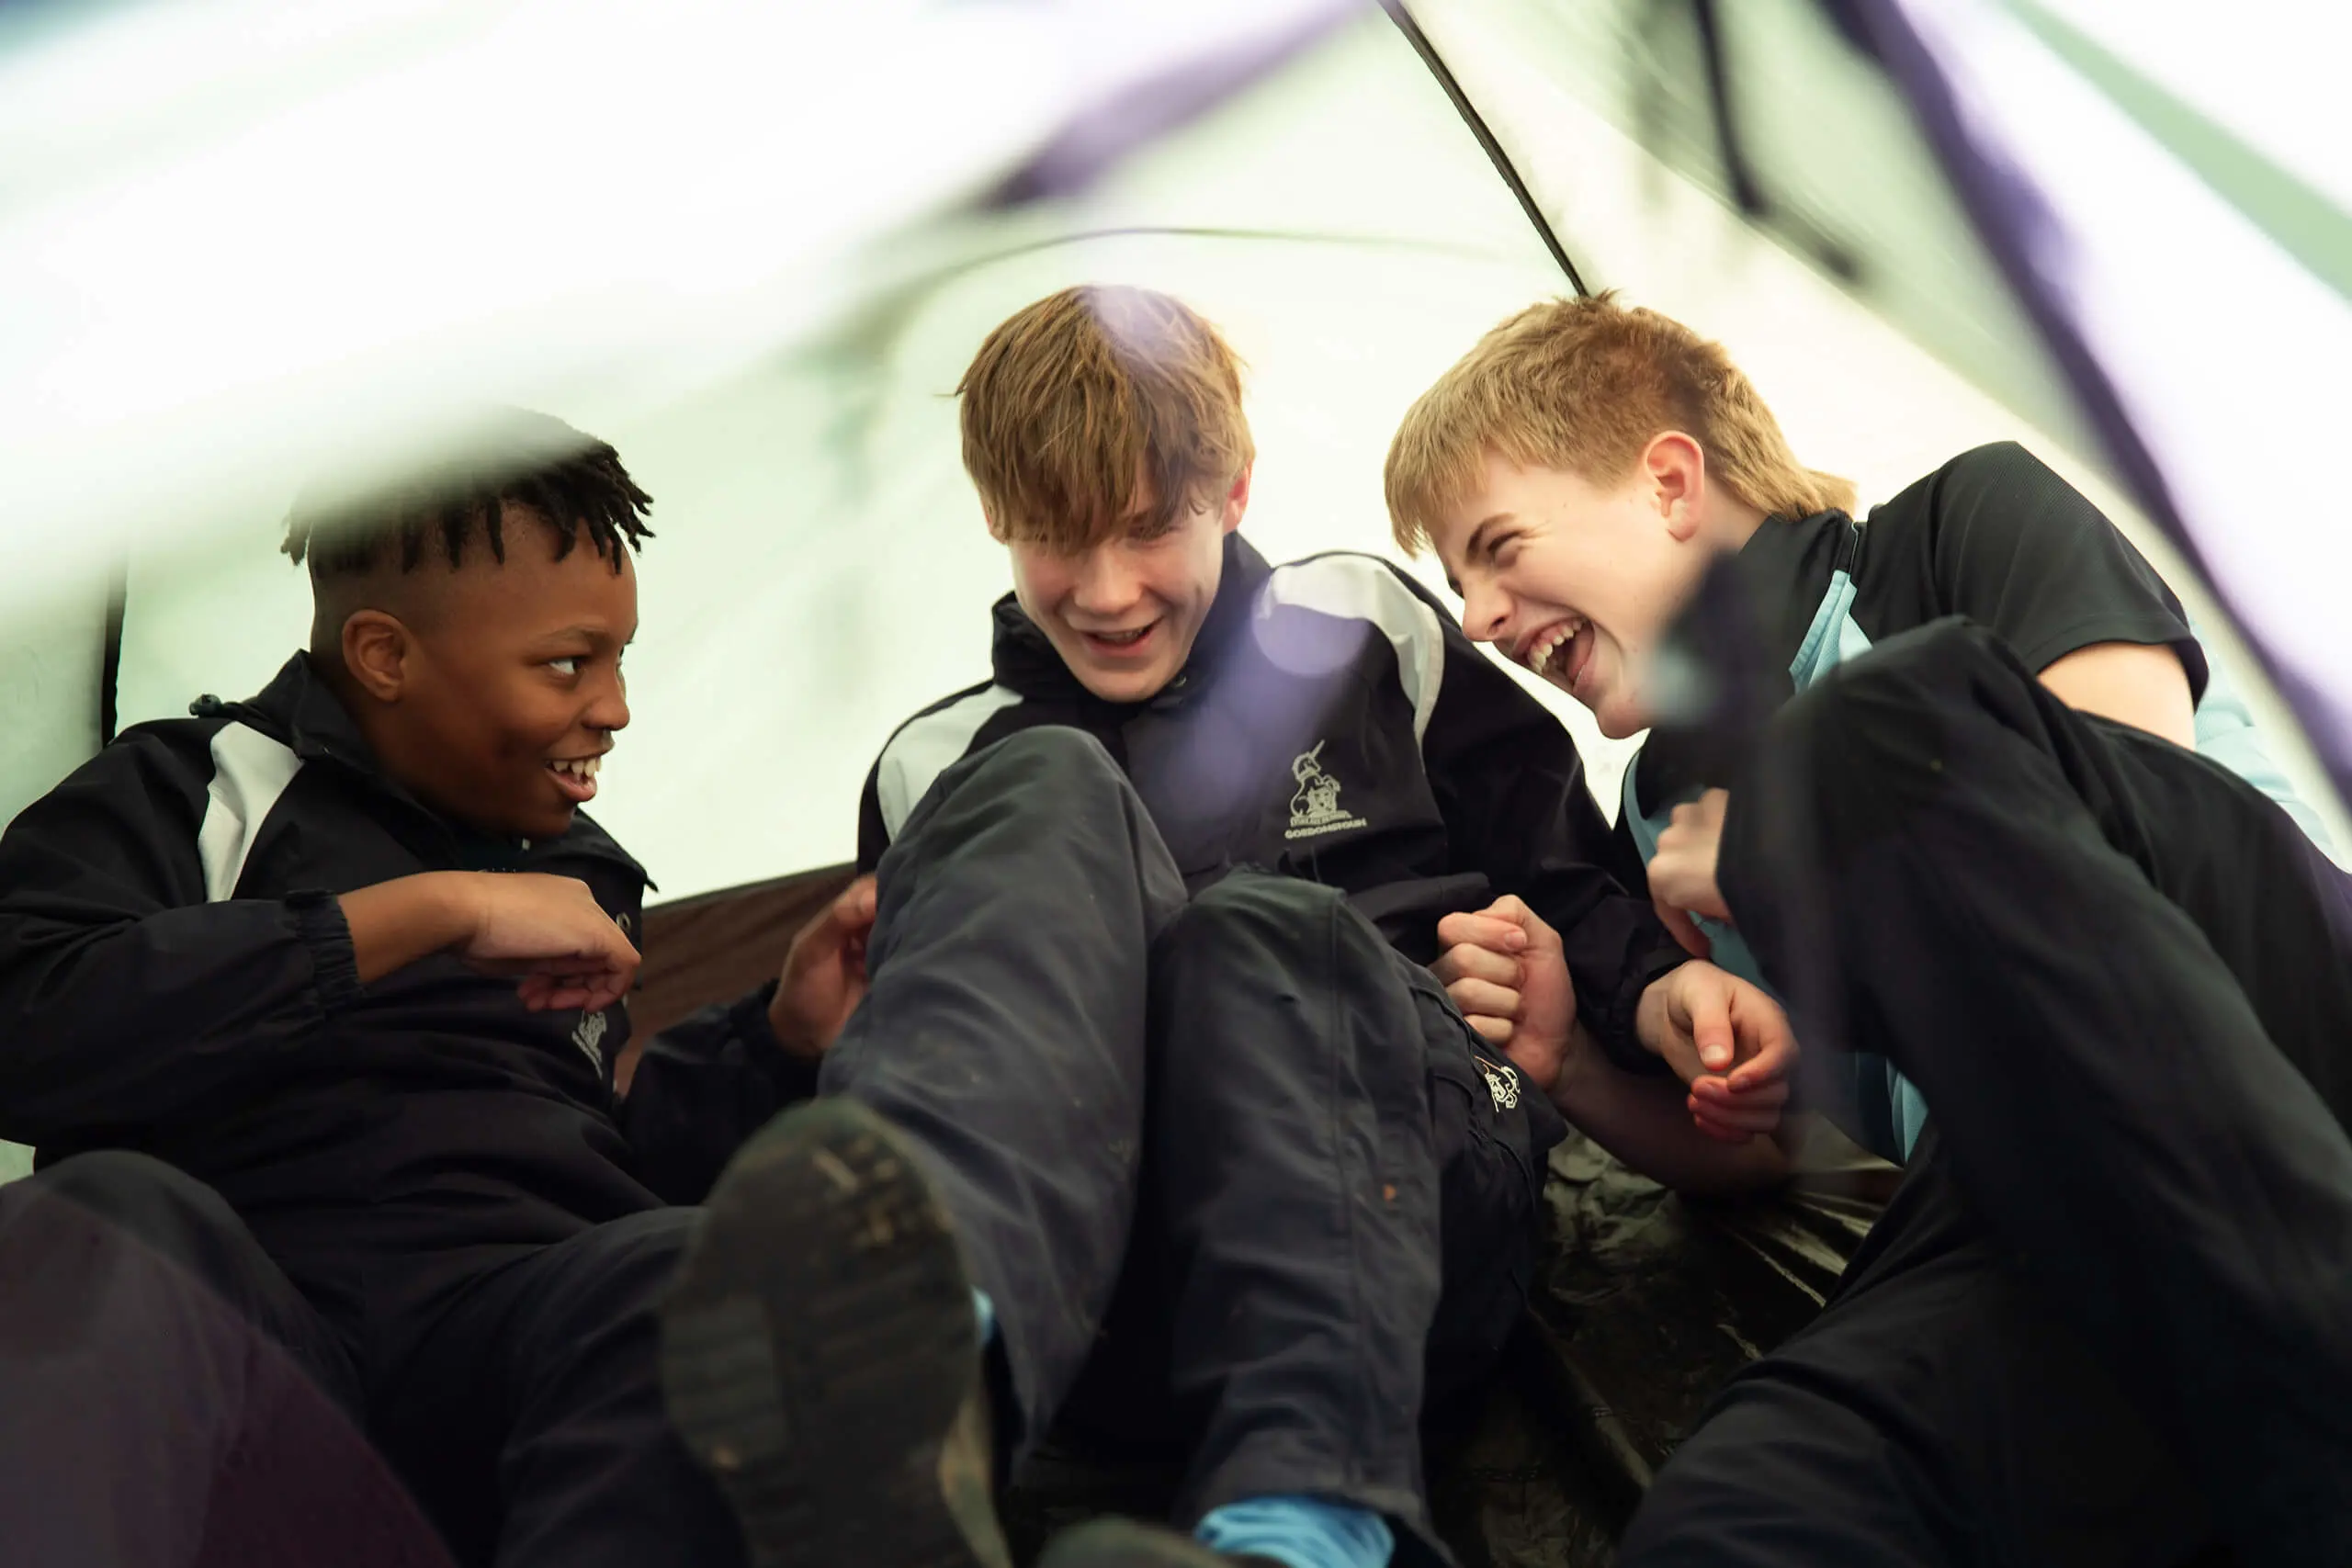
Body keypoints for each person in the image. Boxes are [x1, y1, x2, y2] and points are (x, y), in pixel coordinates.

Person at [663, 284, 1798, 1568]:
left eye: (1150, 528)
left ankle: (1302, 1523)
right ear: (993, 516)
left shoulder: (1364, 628)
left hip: (1394, 1189)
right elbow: (924, 1056)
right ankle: (929, 1387)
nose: (1104, 590)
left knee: (1263, 934)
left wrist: (1653, 1000)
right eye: (1054, 536)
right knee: (1044, 789)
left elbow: (1566, 873)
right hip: (1104, 1276)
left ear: (1236, 489)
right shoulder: (939, 768)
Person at [1383, 292, 2352, 1565]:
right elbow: (1780, 1148)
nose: (1480, 619)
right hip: (2016, 1190)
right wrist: (1576, 1061)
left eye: (1498, 548)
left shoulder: (1961, 526)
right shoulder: (1658, 810)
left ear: (1670, 481)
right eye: (1458, 585)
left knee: (1883, 728)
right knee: (1744, 1503)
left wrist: (1786, 832)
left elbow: (2115, 812)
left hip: (2270, 1009)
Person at [0, 412, 863, 1568]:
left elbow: (589, 1164)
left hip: (510, 1384)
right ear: (385, 656)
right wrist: (423, 915)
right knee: (108, 1223)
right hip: (256, 1365)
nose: (613, 708)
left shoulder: (583, 878)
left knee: (694, 1274)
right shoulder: (190, 793)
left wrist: (777, 1045)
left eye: (621, 661)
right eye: (568, 662)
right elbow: (28, 1023)